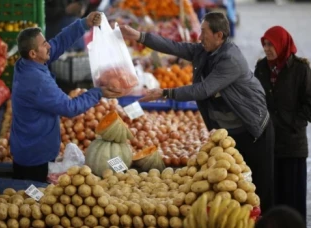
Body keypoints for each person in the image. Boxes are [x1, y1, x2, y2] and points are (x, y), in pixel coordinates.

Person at [120, 12, 275, 212]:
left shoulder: (230, 59)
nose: (199, 37)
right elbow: (174, 47)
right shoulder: (204, 50)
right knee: (237, 191)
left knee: (260, 190)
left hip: (254, 132)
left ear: (219, 36)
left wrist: (165, 92)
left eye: (204, 32)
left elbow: (203, 89)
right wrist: (139, 36)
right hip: (231, 133)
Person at [10, 11, 123, 182]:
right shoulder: (38, 82)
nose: (48, 45)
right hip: (34, 158)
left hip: (26, 147)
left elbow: (58, 43)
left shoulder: (26, 63)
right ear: (33, 53)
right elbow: (70, 108)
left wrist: (84, 23)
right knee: (34, 200)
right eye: (44, 44)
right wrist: (98, 92)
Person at [254, 26, 311, 221]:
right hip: (268, 145)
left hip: (293, 146)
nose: (267, 48)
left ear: (282, 44)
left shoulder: (301, 69)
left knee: (293, 199)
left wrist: (292, 123)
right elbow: (255, 100)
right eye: (265, 44)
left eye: (271, 44)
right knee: (271, 200)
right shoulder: (261, 68)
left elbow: (309, 104)